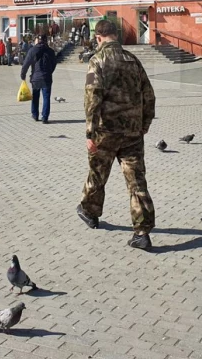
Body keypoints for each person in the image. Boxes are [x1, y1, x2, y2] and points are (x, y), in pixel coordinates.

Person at [77, 20, 156, 251]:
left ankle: (90, 212)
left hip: (105, 132)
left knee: (98, 174)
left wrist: (89, 132)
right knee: (136, 181)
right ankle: (142, 232)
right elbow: (149, 95)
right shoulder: (133, 60)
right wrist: (145, 123)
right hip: (132, 132)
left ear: (99, 37)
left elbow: (92, 97)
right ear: (115, 36)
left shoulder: (97, 61)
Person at [21, 34, 57, 124]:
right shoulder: (50, 51)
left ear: (37, 40)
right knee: (46, 98)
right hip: (46, 78)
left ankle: (35, 114)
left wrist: (23, 75)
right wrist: (49, 72)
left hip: (35, 78)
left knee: (35, 97)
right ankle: (45, 117)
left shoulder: (32, 50)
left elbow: (26, 64)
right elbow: (54, 64)